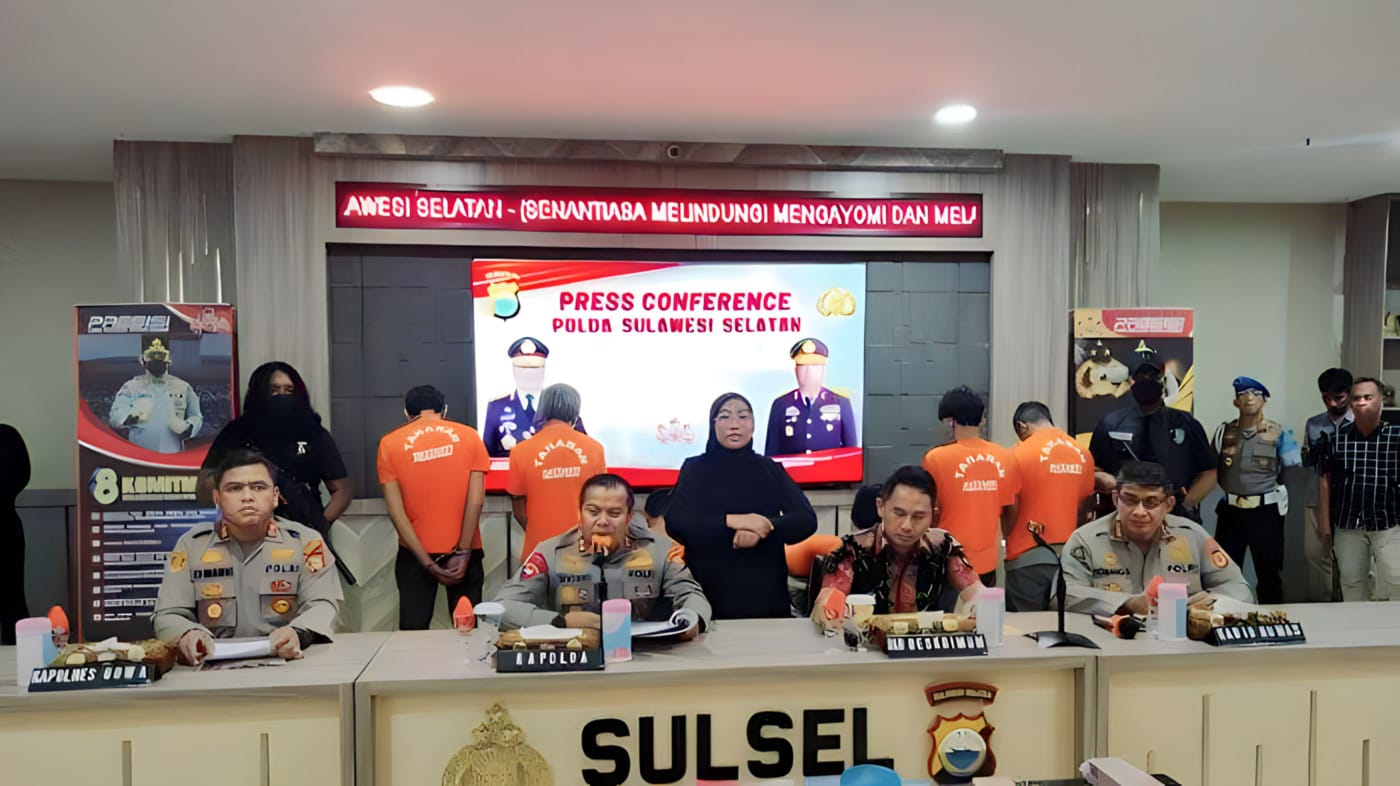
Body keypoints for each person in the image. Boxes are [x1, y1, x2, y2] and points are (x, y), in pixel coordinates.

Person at [153, 448, 342, 665]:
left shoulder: (305, 542)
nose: (247, 497)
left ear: (275, 497)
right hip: (210, 666)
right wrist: (188, 634)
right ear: (217, 497)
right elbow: (168, 614)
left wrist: (297, 633)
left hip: (290, 663)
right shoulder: (192, 545)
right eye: (234, 488)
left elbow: (323, 605)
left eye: (258, 487)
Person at [495, 474, 711, 635]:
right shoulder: (550, 551)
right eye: (593, 512)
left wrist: (690, 621)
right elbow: (502, 607)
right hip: (574, 657)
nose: (603, 521)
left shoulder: (661, 550)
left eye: (614, 513)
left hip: (643, 656)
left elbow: (692, 596)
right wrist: (560, 621)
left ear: (628, 518)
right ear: (579, 514)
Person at [667, 392, 818, 618]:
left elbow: (806, 520)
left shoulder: (769, 469)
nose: (734, 424)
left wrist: (766, 527)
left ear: (753, 425)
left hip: (765, 594)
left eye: (743, 417)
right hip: (707, 594)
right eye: (725, 416)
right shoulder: (695, 469)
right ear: (713, 425)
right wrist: (731, 521)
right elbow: (678, 523)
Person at [1060, 461, 1253, 616]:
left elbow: (1239, 588)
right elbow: (1064, 594)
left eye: (1151, 502)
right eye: (1130, 500)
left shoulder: (1192, 535)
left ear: (1168, 505)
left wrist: (1209, 604)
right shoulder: (1085, 540)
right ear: (1116, 499)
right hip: (1112, 641)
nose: (1139, 511)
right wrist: (1125, 604)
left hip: (1182, 642)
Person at [810, 466, 986, 632]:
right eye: (899, 514)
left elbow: (978, 594)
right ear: (880, 507)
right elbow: (826, 606)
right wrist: (834, 612)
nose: (907, 526)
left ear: (933, 515)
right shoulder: (853, 548)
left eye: (918, 516)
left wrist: (981, 607)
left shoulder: (942, 546)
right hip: (865, 647)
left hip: (927, 646)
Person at [377, 385, 490, 630]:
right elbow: (476, 500)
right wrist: (463, 552)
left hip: (414, 553)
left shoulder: (389, 443)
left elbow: (396, 511)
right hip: (466, 549)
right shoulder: (470, 436)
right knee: (469, 632)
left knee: (413, 632)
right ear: (444, 410)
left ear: (407, 412)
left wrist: (425, 562)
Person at [1088, 360, 1216, 522]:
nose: (1146, 382)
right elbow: (1093, 468)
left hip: (1174, 516)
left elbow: (1209, 472)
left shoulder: (1186, 423)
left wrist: (1183, 505)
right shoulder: (1111, 423)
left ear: (1162, 381)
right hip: (1123, 515)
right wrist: (1107, 483)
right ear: (1131, 381)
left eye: (1152, 377)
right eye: (1141, 378)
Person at [1211, 376, 1301, 604]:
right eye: (1242, 394)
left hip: (1265, 512)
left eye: (1255, 394)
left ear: (1265, 400)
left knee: (1269, 574)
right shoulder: (1223, 433)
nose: (1249, 398)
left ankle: (1273, 618)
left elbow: (1290, 471)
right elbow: (1213, 470)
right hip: (1231, 512)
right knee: (1224, 573)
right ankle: (1227, 616)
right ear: (1235, 402)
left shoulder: (1279, 433)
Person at [921, 386, 1020, 585]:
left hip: (947, 560)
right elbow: (1011, 509)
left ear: (951, 421)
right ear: (981, 419)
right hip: (988, 562)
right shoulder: (1005, 456)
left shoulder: (935, 458)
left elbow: (926, 511)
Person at [1004, 401, 1095, 611]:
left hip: (1027, 557)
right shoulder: (1083, 454)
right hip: (1071, 556)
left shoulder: (1016, 454)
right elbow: (1084, 507)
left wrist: (1006, 535)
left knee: (1026, 626)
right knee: (1065, 623)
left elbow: (1011, 507)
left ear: (1022, 426)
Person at [1318, 377, 1400, 602]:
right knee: (1351, 583)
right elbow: (1325, 481)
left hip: (1389, 523)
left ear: (1381, 402)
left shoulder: (1396, 436)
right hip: (1348, 524)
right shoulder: (1337, 440)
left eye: (1368, 397)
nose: (1361, 402)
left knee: (1395, 582)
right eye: (1356, 398)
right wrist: (1325, 523)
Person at [507, 383, 606, 561]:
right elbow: (602, 504)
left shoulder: (520, 451)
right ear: (575, 411)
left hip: (538, 553)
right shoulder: (595, 449)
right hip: (583, 551)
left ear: (543, 409)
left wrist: (542, 532)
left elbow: (519, 510)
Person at [484, 337, 586, 457]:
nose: (528, 375)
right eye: (522, 369)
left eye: (535, 369)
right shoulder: (497, 406)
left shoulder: (560, 403)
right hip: (511, 467)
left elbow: (583, 445)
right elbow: (488, 452)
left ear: (543, 370)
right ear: (513, 370)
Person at [1301, 367, 1353, 602]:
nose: (1332, 403)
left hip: (1350, 502)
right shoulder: (1313, 424)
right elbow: (1307, 463)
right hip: (1315, 500)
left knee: (1351, 561)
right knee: (1315, 556)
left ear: (1349, 393)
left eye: (1338, 398)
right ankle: (1320, 610)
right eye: (1326, 398)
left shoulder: (1361, 423)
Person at [108, 337, 203, 453]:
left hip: (173, 451)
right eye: (153, 361)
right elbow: (115, 416)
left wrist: (188, 427)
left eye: (160, 361)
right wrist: (131, 417)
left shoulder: (183, 387)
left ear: (168, 362)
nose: (157, 364)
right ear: (143, 362)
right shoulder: (131, 387)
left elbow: (196, 416)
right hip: (140, 452)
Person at [764, 337, 857, 456]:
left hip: (830, 468)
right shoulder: (781, 404)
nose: (808, 372)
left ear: (823, 370)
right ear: (796, 370)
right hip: (791, 468)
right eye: (802, 366)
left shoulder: (840, 402)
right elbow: (772, 453)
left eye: (814, 366)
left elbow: (851, 452)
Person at [0, 424, 30, 644]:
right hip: (7, 524)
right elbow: (23, 474)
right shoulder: (7, 436)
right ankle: (20, 654)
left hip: (6, 527)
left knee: (12, 600)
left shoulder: (6, 436)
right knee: (13, 600)